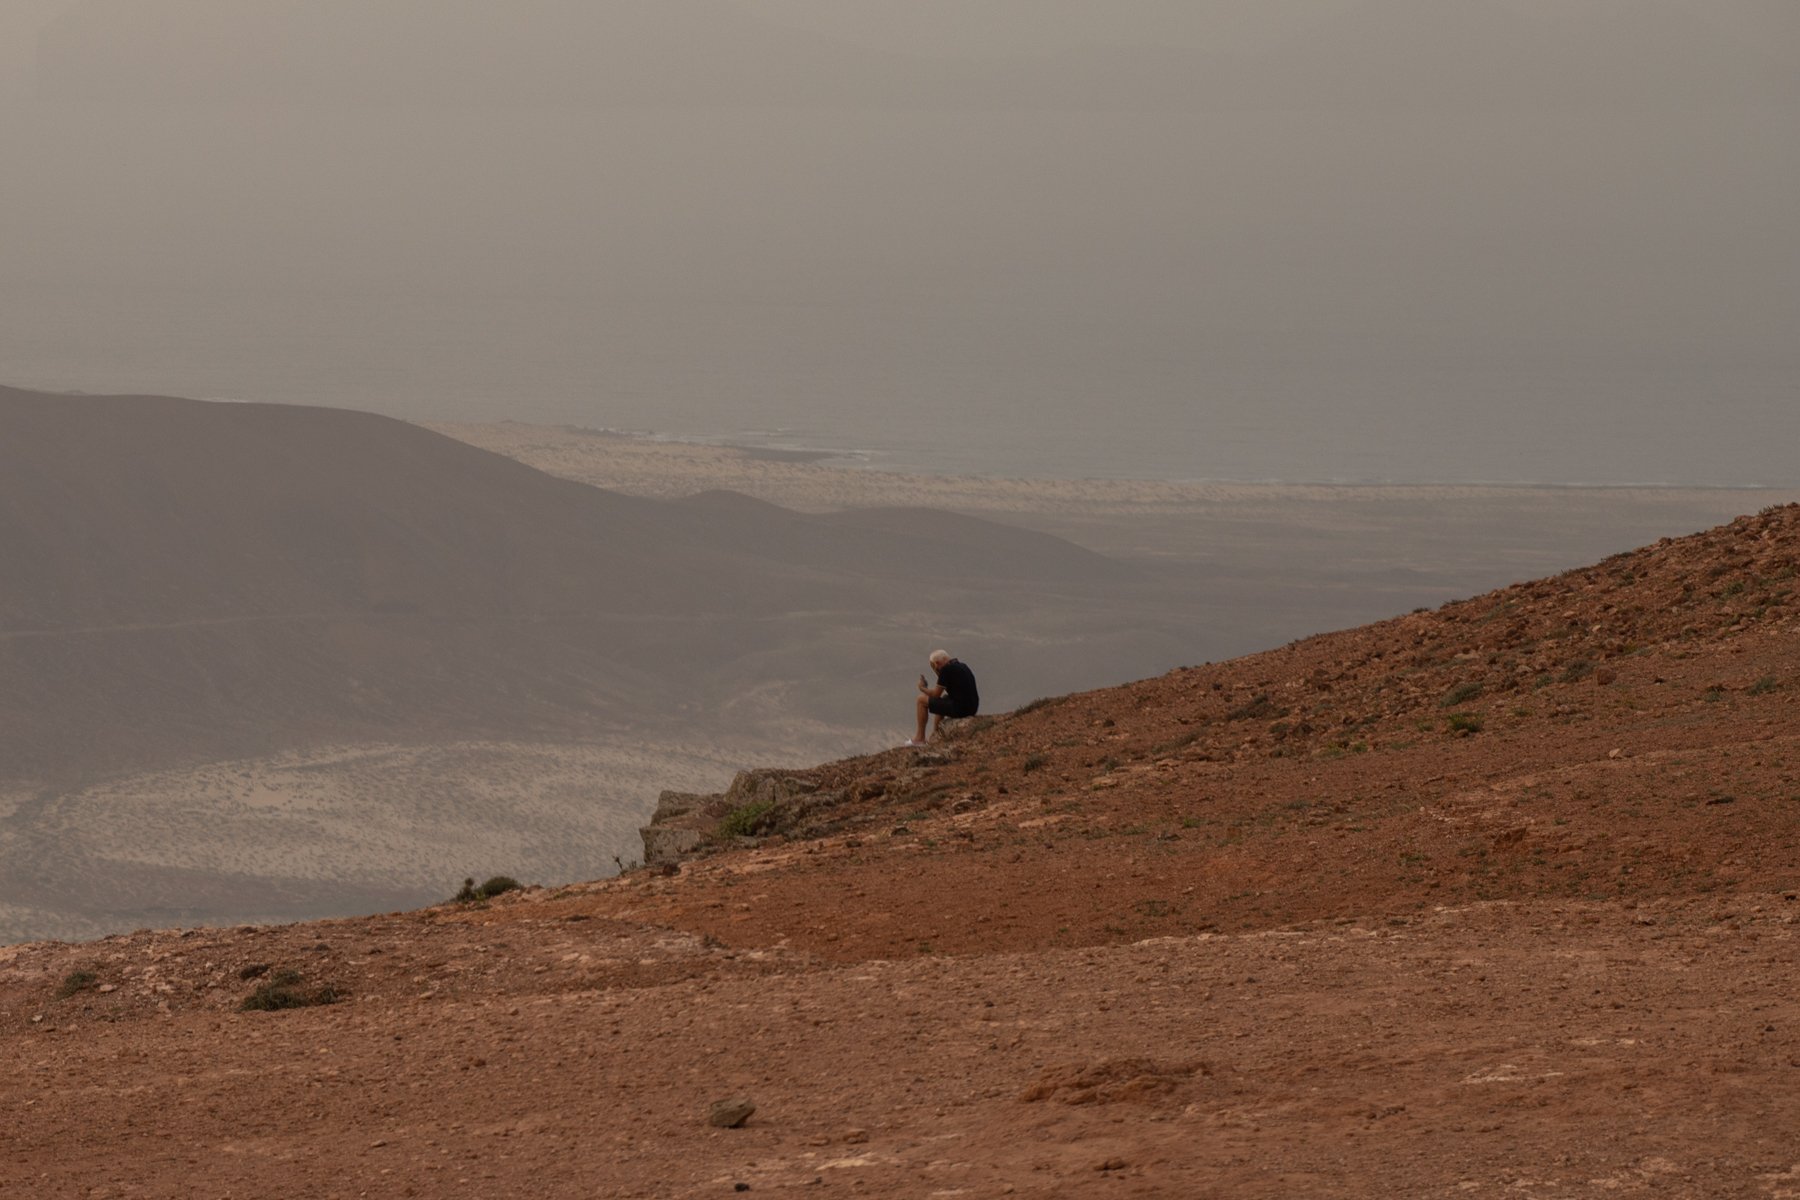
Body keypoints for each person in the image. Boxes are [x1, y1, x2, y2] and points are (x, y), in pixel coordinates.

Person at [907, 649, 979, 747]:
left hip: (961, 709)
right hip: (972, 708)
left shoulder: (946, 669)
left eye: (934, 667)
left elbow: (936, 694)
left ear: (937, 663)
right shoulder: (962, 666)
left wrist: (922, 688)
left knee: (921, 700)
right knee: (944, 698)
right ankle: (936, 735)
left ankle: (920, 739)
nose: (936, 670)